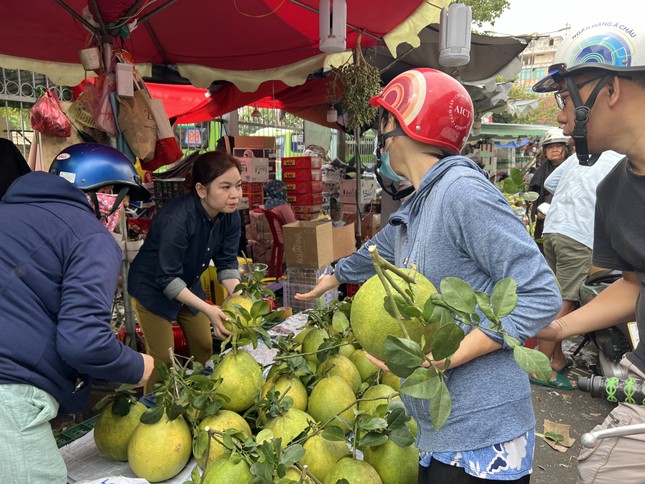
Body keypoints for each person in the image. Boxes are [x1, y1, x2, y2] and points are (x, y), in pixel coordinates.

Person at [296, 68, 561, 483]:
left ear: (402, 128)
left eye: (382, 125)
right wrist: (334, 275)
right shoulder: (421, 203)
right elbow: (382, 245)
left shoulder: (462, 192)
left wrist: (446, 358)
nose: (379, 140)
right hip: (442, 430)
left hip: (481, 434)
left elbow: (540, 294)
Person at [0, 142, 154, 482]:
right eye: (121, 198)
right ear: (104, 193)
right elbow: (84, 342)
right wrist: (137, 366)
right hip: (8, 393)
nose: (122, 211)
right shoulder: (90, 235)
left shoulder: (11, 213)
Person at [532, 19, 645, 484]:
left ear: (610, 87)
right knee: (600, 470)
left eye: (564, 98)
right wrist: (555, 327)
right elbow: (634, 287)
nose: (560, 117)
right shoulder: (615, 190)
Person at [128, 150, 243, 394]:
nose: (235, 194)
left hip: (188, 283)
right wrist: (208, 309)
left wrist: (240, 298)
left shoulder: (230, 216)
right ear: (202, 190)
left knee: (203, 345)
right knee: (164, 360)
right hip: (152, 288)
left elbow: (226, 263)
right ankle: (153, 413)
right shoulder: (177, 218)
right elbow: (167, 278)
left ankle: (198, 399)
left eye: (238, 185)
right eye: (225, 187)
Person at [530, 150, 623, 391]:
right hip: (579, 234)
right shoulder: (623, 160)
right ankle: (542, 369)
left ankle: (557, 359)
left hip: (552, 230)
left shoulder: (584, 153)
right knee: (566, 302)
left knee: (553, 299)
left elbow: (551, 182)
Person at [529, 128, 571, 241]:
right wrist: (538, 211)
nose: (555, 150)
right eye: (550, 147)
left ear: (566, 149)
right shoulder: (540, 172)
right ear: (545, 152)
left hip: (570, 222)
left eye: (558, 146)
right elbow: (534, 195)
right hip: (545, 222)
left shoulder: (574, 167)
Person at [262, 178, 297, 244]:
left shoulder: (268, 203)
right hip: (286, 238)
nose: (285, 191)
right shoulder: (283, 206)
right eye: (283, 189)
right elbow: (294, 226)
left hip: (276, 237)